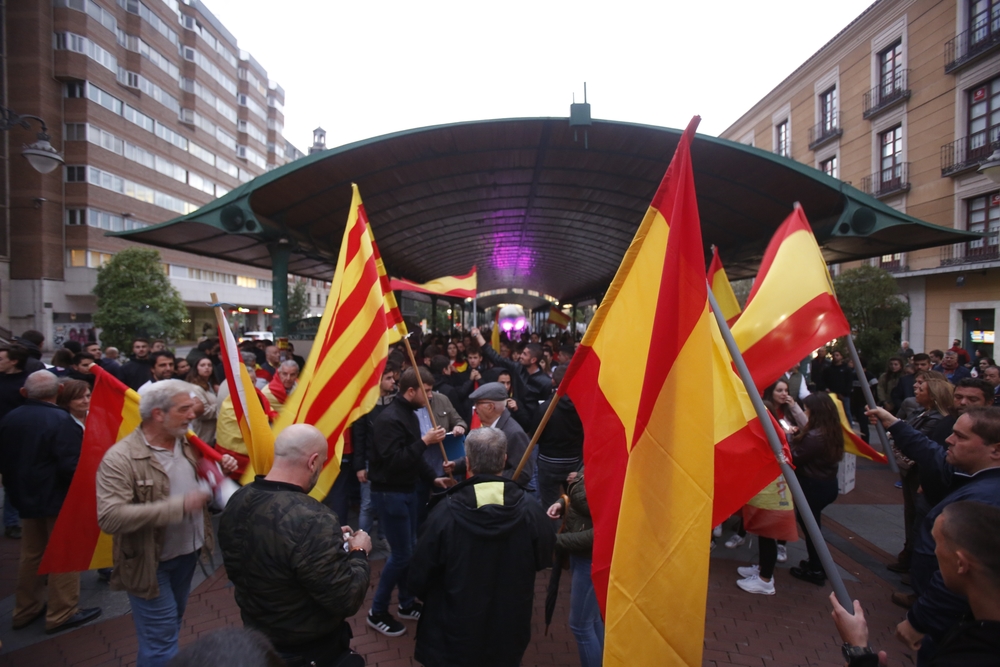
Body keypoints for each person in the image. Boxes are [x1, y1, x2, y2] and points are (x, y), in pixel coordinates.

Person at [97, 380, 238, 666]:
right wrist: (179, 507)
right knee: (162, 642)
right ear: (158, 414)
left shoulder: (185, 442)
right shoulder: (120, 458)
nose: (193, 414)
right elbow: (109, 517)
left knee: (166, 631)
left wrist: (219, 465)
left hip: (187, 555)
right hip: (150, 562)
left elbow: (201, 473)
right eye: (184, 408)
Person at [219, 425, 371, 667]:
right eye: (321, 464)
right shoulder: (312, 518)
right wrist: (359, 551)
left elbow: (271, 548)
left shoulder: (239, 498)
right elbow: (347, 598)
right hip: (310, 649)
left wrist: (324, 541)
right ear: (312, 462)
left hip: (260, 639)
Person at [408, 427, 555, 667]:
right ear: (504, 459)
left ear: (467, 463)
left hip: (454, 631)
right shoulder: (530, 510)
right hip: (508, 629)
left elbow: (418, 577)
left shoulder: (443, 514)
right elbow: (544, 557)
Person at [866, 405, 1000, 665]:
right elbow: (934, 456)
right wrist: (895, 424)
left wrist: (922, 620)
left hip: (955, 624)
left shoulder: (987, 500)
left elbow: (967, 572)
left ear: (996, 449)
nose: (949, 440)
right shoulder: (977, 477)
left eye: (960, 437)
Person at [830, 500, 1000, 667]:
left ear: (960, 563)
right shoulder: (977, 628)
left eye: (937, 543)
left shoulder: (971, 657)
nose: (934, 552)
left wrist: (858, 649)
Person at [0, 371, 102, 633]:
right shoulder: (60, 420)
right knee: (65, 553)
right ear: (59, 392)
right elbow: (71, 465)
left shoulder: (11, 418)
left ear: (25, 392)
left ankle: (25, 609)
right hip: (58, 498)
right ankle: (62, 611)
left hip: (25, 497)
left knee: (31, 554)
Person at [366, 367, 453, 637]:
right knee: (402, 554)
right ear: (411, 391)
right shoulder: (389, 419)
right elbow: (394, 461)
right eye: (426, 391)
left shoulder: (410, 414)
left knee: (409, 551)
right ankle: (377, 610)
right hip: (390, 493)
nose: (430, 396)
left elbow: (413, 458)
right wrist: (425, 442)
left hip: (408, 490)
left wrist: (432, 479)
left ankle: (405, 602)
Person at [547, 469, 603, 667]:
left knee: (580, 625)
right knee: (593, 619)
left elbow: (602, 532)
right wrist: (562, 503)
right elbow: (580, 486)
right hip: (582, 556)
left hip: (591, 558)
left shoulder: (616, 466)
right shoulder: (598, 452)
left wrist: (556, 540)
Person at [788, 392, 845, 586]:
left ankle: (816, 568)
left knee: (811, 529)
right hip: (826, 484)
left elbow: (794, 457)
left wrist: (791, 440)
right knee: (813, 527)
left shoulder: (814, 436)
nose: (805, 412)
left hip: (812, 486)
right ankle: (816, 563)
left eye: (807, 409)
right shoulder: (831, 430)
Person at [446, 382, 532, 487]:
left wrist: (487, 480)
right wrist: (456, 465)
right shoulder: (489, 426)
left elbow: (523, 473)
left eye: (478, 403)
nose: (475, 408)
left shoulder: (514, 433)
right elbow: (480, 458)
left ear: (490, 407)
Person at [351, 366, 397, 537]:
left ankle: (386, 539)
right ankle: (363, 542)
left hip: (392, 462)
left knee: (388, 502)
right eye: (388, 378)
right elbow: (359, 437)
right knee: (368, 505)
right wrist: (360, 466)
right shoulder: (365, 407)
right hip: (371, 462)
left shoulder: (397, 402)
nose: (393, 381)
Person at [533, 365, 583, 509]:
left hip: (549, 462)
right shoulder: (581, 407)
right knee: (574, 502)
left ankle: (554, 529)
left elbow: (536, 435)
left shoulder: (546, 409)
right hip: (574, 461)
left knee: (550, 503)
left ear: (554, 382)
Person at [0, 344, 30, 538]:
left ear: (14, 361)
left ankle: (12, 521)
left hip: (16, 439)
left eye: (1, 359)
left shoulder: (26, 383)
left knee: (13, 479)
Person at [185, 358, 219, 445]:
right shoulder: (194, 387)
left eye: (209, 365)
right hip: (202, 435)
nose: (207, 367)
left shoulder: (210, 385)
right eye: (202, 365)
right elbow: (204, 412)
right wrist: (222, 404)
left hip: (212, 434)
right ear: (196, 368)